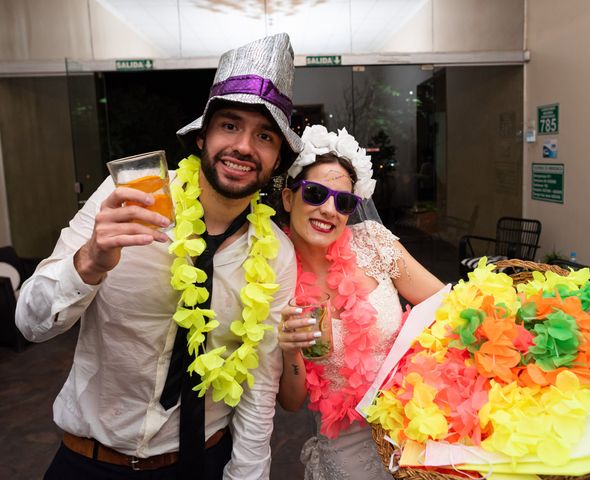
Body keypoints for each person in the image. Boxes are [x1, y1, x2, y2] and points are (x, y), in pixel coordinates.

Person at [15, 33, 303, 480]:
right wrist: (88, 263)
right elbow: (29, 325)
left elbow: (259, 387)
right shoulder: (128, 198)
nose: (244, 147)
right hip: (92, 462)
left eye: (264, 135)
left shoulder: (277, 256)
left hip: (206, 461)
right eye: (230, 125)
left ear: (277, 158)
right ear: (203, 136)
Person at [276, 125, 444, 479]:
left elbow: (445, 306)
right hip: (346, 452)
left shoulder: (374, 244)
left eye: (343, 201)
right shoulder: (275, 276)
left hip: (416, 430)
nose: (328, 209)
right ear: (289, 198)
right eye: (315, 193)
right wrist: (290, 351)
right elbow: (291, 403)